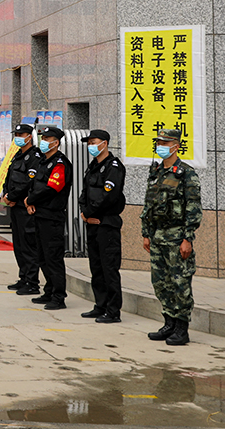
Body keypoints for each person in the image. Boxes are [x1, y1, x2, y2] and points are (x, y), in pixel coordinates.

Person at [139, 127, 200, 346]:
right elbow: (149, 204)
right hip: (157, 236)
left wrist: (187, 238)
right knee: (160, 282)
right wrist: (146, 233)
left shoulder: (186, 173)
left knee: (180, 282)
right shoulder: (156, 172)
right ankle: (169, 322)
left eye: (165, 143)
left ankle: (182, 328)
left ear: (175, 146)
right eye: (159, 143)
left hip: (176, 238)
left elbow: (193, 207)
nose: (160, 147)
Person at [78, 129, 126, 324]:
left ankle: (113, 311)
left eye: (94, 141)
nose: (91, 145)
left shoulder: (114, 167)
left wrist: (89, 213)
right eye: (88, 142)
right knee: (96, 267)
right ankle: (100, 305)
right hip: (92, 223)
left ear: (104, 143)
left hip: (107, 223)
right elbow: (85, 193)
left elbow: (109, 196)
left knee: (109, 268)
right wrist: (84, 212)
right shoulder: (93, 166)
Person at [24, 125, 71, 310]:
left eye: (47, 139)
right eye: (42, 138)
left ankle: (59, 296)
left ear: (56, 142)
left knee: (53, 258)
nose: (43, 142)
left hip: (52, 216)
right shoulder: (43, 161)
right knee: (42, 257)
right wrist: (30, 201)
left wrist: (31, 199)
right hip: (39, 214)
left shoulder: (60, 163)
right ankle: (49, 290)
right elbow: (34, 184)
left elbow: (52, 187)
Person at [2, 123, 42, 295]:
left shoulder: (35, 156)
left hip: (25, 207)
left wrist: (12, 197)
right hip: (15, 206)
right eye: (16, 134)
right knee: (18, 245)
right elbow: (9, 178)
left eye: (21, 134)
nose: (18, 137)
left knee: (28, 245)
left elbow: (29, 182)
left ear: (29, 137)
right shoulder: (18, 155)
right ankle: (23, 277)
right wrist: (5, 194)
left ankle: (32, 282)